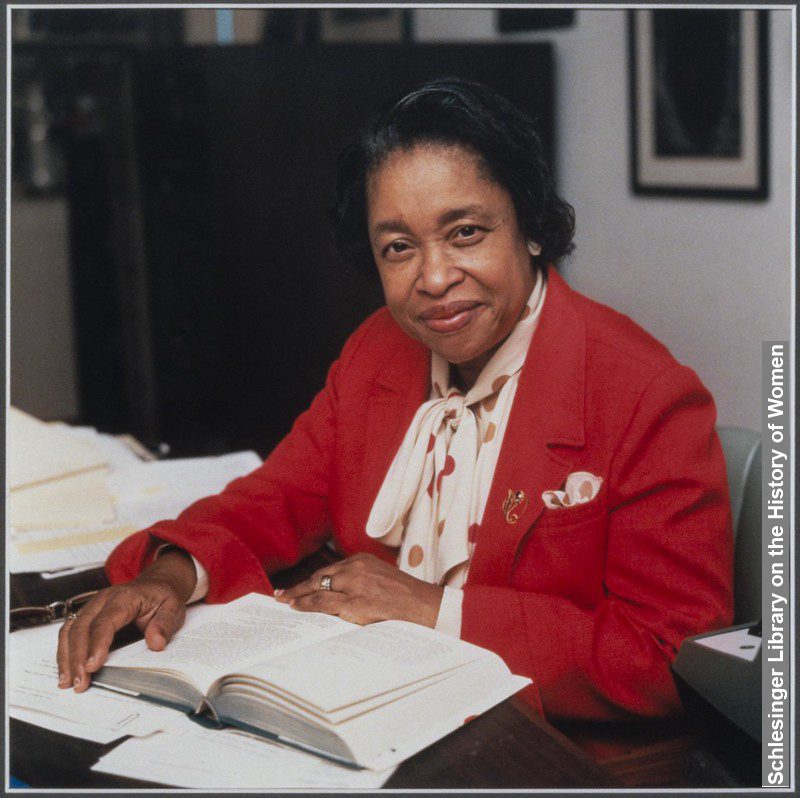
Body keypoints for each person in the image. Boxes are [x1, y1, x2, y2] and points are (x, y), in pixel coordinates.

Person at [57, 77, 733, 721]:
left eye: (466, 232)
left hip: (538, 740)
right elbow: (280, 495)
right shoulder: (378, 349)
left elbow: (670, 655)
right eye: (399, 247)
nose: (434, 278)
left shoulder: (647, 396)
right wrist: (172, 576)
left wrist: (434, 610)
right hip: (363, 703)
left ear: (530, 226)